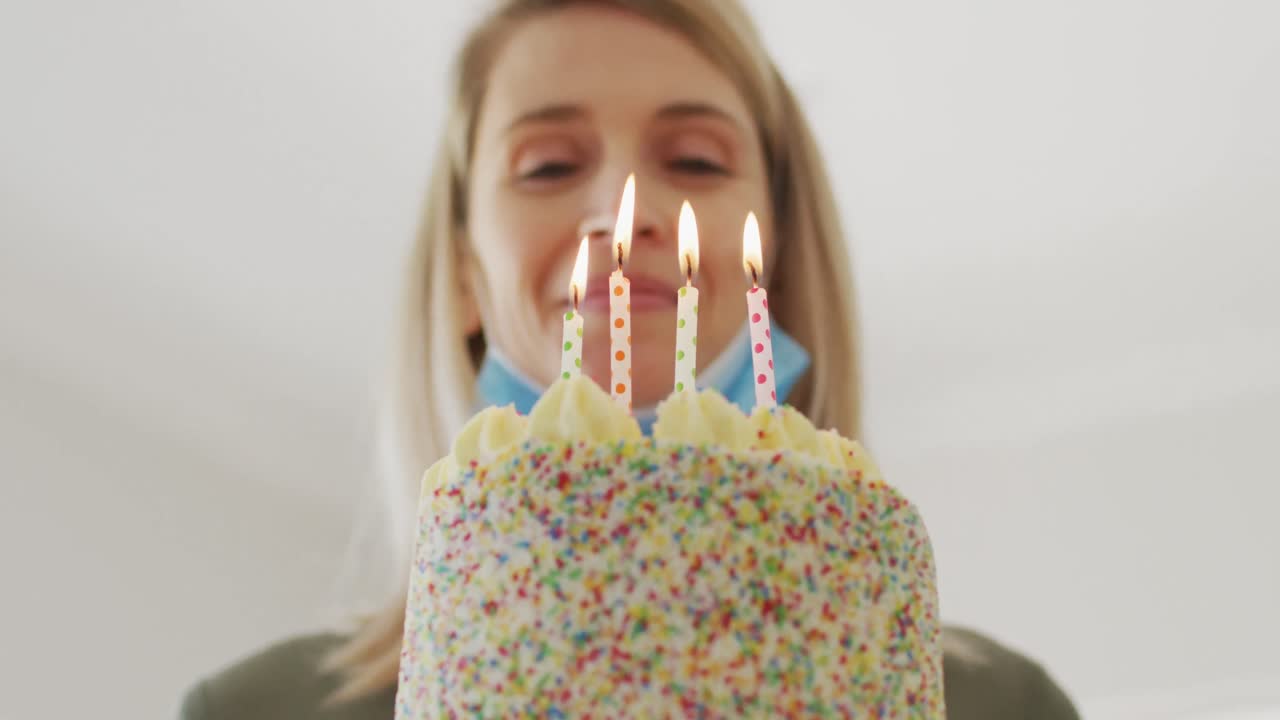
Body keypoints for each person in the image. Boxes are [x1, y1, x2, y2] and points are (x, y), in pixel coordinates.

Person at [179, 1, 1079, 718]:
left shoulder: (1001, 708)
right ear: (462, 273)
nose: (622, 209)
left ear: (784, 249)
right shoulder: (258, 712)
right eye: (546, 167)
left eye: (693, 158)